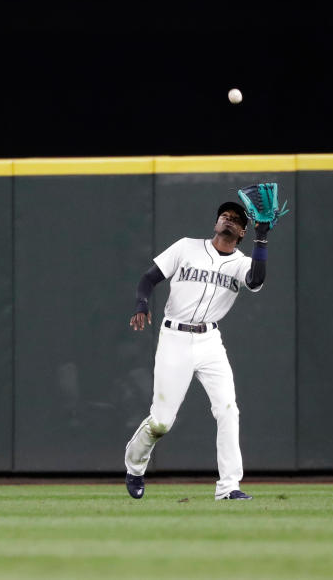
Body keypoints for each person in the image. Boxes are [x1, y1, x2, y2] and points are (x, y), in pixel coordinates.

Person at [124, 197, 272, 500]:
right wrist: (141, 303)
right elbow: (149, 278)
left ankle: (229, 487)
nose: (228, 219)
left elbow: (256, 279)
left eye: (235, 218)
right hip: (174, 336)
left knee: (228, 409)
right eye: (224, 215)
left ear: (242, 231)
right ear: (216, 222)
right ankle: (135, 466)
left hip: (209, 342)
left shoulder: (242, 262)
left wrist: (262, 238)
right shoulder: (186, 247)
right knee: (162, 422)